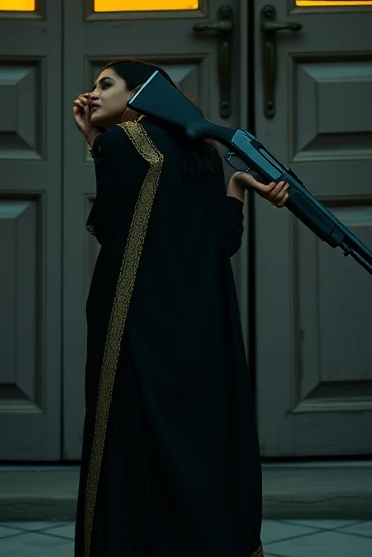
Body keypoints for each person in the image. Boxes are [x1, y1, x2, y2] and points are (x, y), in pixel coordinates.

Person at [70, 59, 289, 557]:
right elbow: (220, 244)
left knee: (130, 443)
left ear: (142, 93)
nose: (93, 94)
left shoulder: (121, 144)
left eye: (107, 84)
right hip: (198, 332)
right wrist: (238, 189)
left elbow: (108, 226)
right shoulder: (204, 154)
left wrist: (92, 142)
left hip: (132, 322)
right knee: (194, 443)